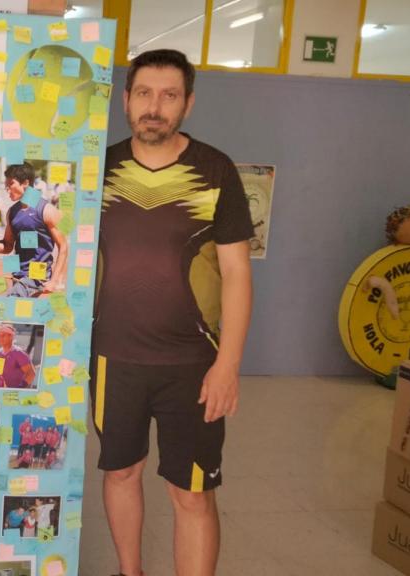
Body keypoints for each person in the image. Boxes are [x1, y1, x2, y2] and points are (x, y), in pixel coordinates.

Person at [91, 49, 254, 576]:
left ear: (188, 103)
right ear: (125, 99)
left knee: (192, 493)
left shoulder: (215, 170)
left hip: (193, 364)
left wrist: (228, 365)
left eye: (169, 95)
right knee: (121, 473)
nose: (154, 107)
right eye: (144, 93)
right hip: (113, 358)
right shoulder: (99, 168)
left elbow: (237, 273)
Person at [0, 163, 69, 297]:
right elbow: (7, 246)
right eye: (6, 185)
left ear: (26, 183)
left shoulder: (47, 210)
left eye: (11, 184)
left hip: (36, 276)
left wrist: (54, 281)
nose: (7, 189)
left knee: (8, 303)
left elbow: (63, 246)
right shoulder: (12, 212)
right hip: (18, 276)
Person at [0, 324, 36, 389]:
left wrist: (19, 388)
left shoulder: (19, 353)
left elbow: (31, 374)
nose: (0, 338)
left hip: (15, 393)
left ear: (11, 336)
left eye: (3, 335)